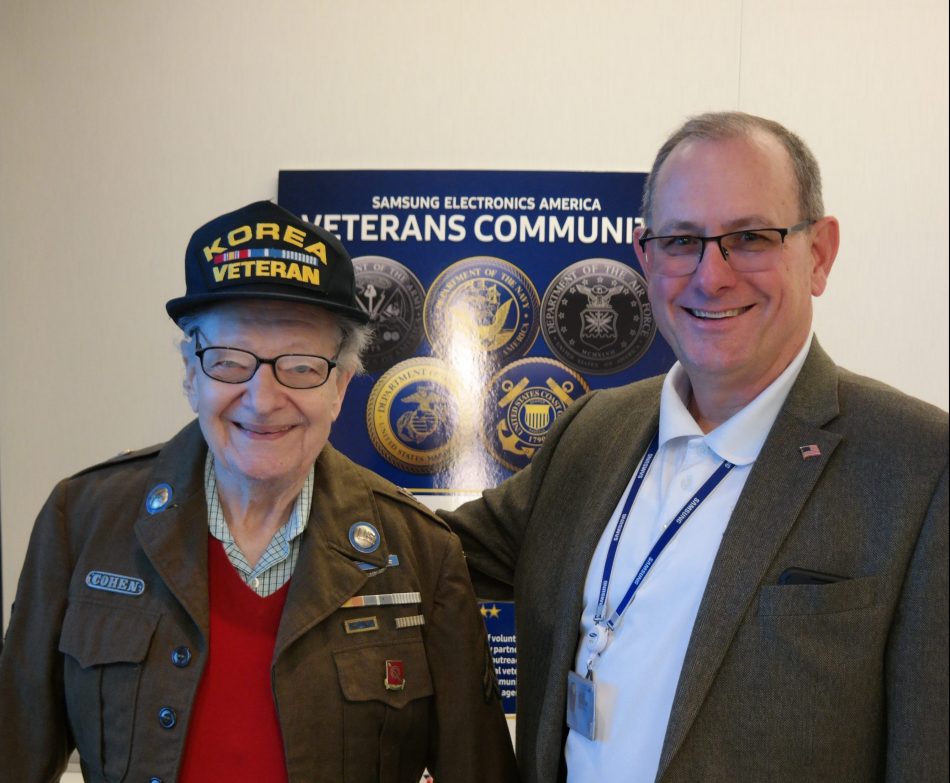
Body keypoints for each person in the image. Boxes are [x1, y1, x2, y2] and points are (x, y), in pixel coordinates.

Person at [441, 112, 948, 782]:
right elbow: (428, 551)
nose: (711, 275)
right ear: (645, 258)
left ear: (819, 254)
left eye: (750, 236)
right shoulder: (591, 432)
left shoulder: (918, 466)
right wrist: (285, 447)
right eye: (681, 241)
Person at [0, 200, 518, 782]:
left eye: (299, 365)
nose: (262, 399)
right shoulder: (83, 520)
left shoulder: (422, 551)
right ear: (191, 376)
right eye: (228, 362)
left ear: (341, 387)